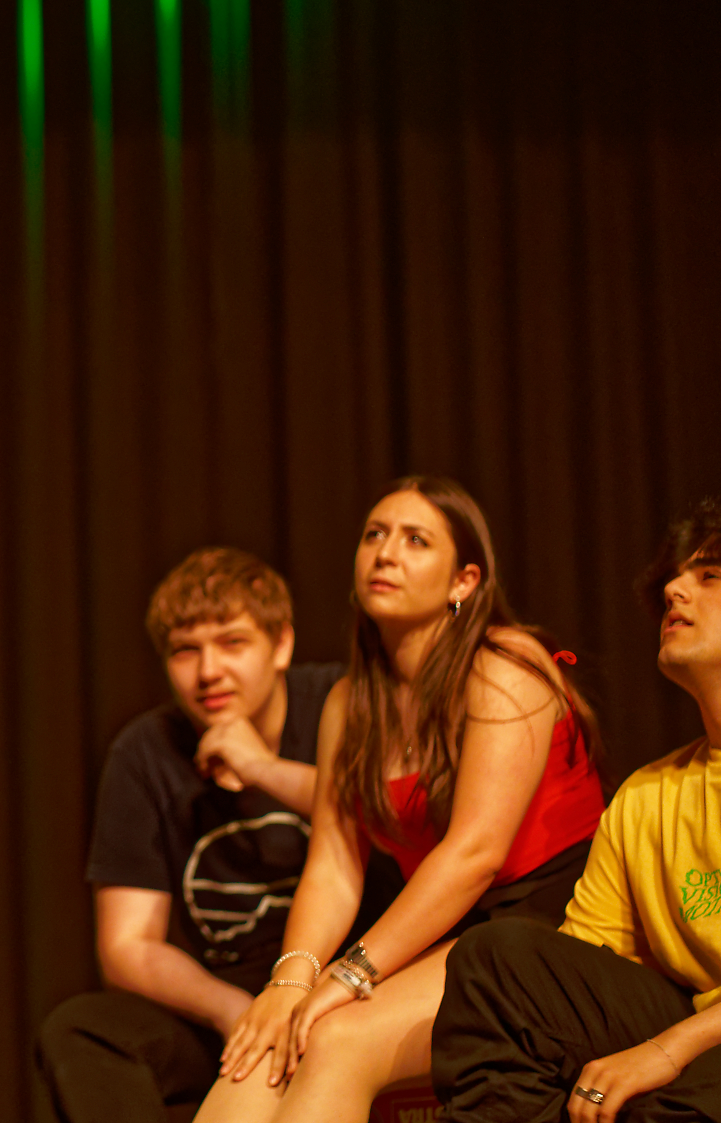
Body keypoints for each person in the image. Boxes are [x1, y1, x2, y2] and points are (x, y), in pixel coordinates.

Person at [198, 477, 604, 1123]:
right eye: (374, 536)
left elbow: (475, 853)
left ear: (463, 581)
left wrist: (348, 974)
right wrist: (289, 981)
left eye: (416, 540)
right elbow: (333, 866)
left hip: (551, 924)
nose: (385, 553)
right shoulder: (349, 702)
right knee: (271, 1039)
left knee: (335, 1036)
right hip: (446, 929)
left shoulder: (505, 666)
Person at [432, 497, 721, 1122]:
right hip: (697, 1024)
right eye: (677, 575)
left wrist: (668, 1050)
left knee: (670, 1105)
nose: (673, 589)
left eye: (710, 576)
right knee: (497, 962)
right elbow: (581, 970)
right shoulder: (646, 795)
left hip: (701, 1048)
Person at [38, 548, 348, 1123]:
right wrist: (231, 1009)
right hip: (230, 994)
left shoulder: (339, 701)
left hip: (340, 976)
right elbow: (128, 947)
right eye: (186, 651)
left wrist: (263, 769)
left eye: (233, 643)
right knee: (80, 1030)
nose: (208, 672)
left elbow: (383, 815)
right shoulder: (144, 752)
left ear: (281, 644)